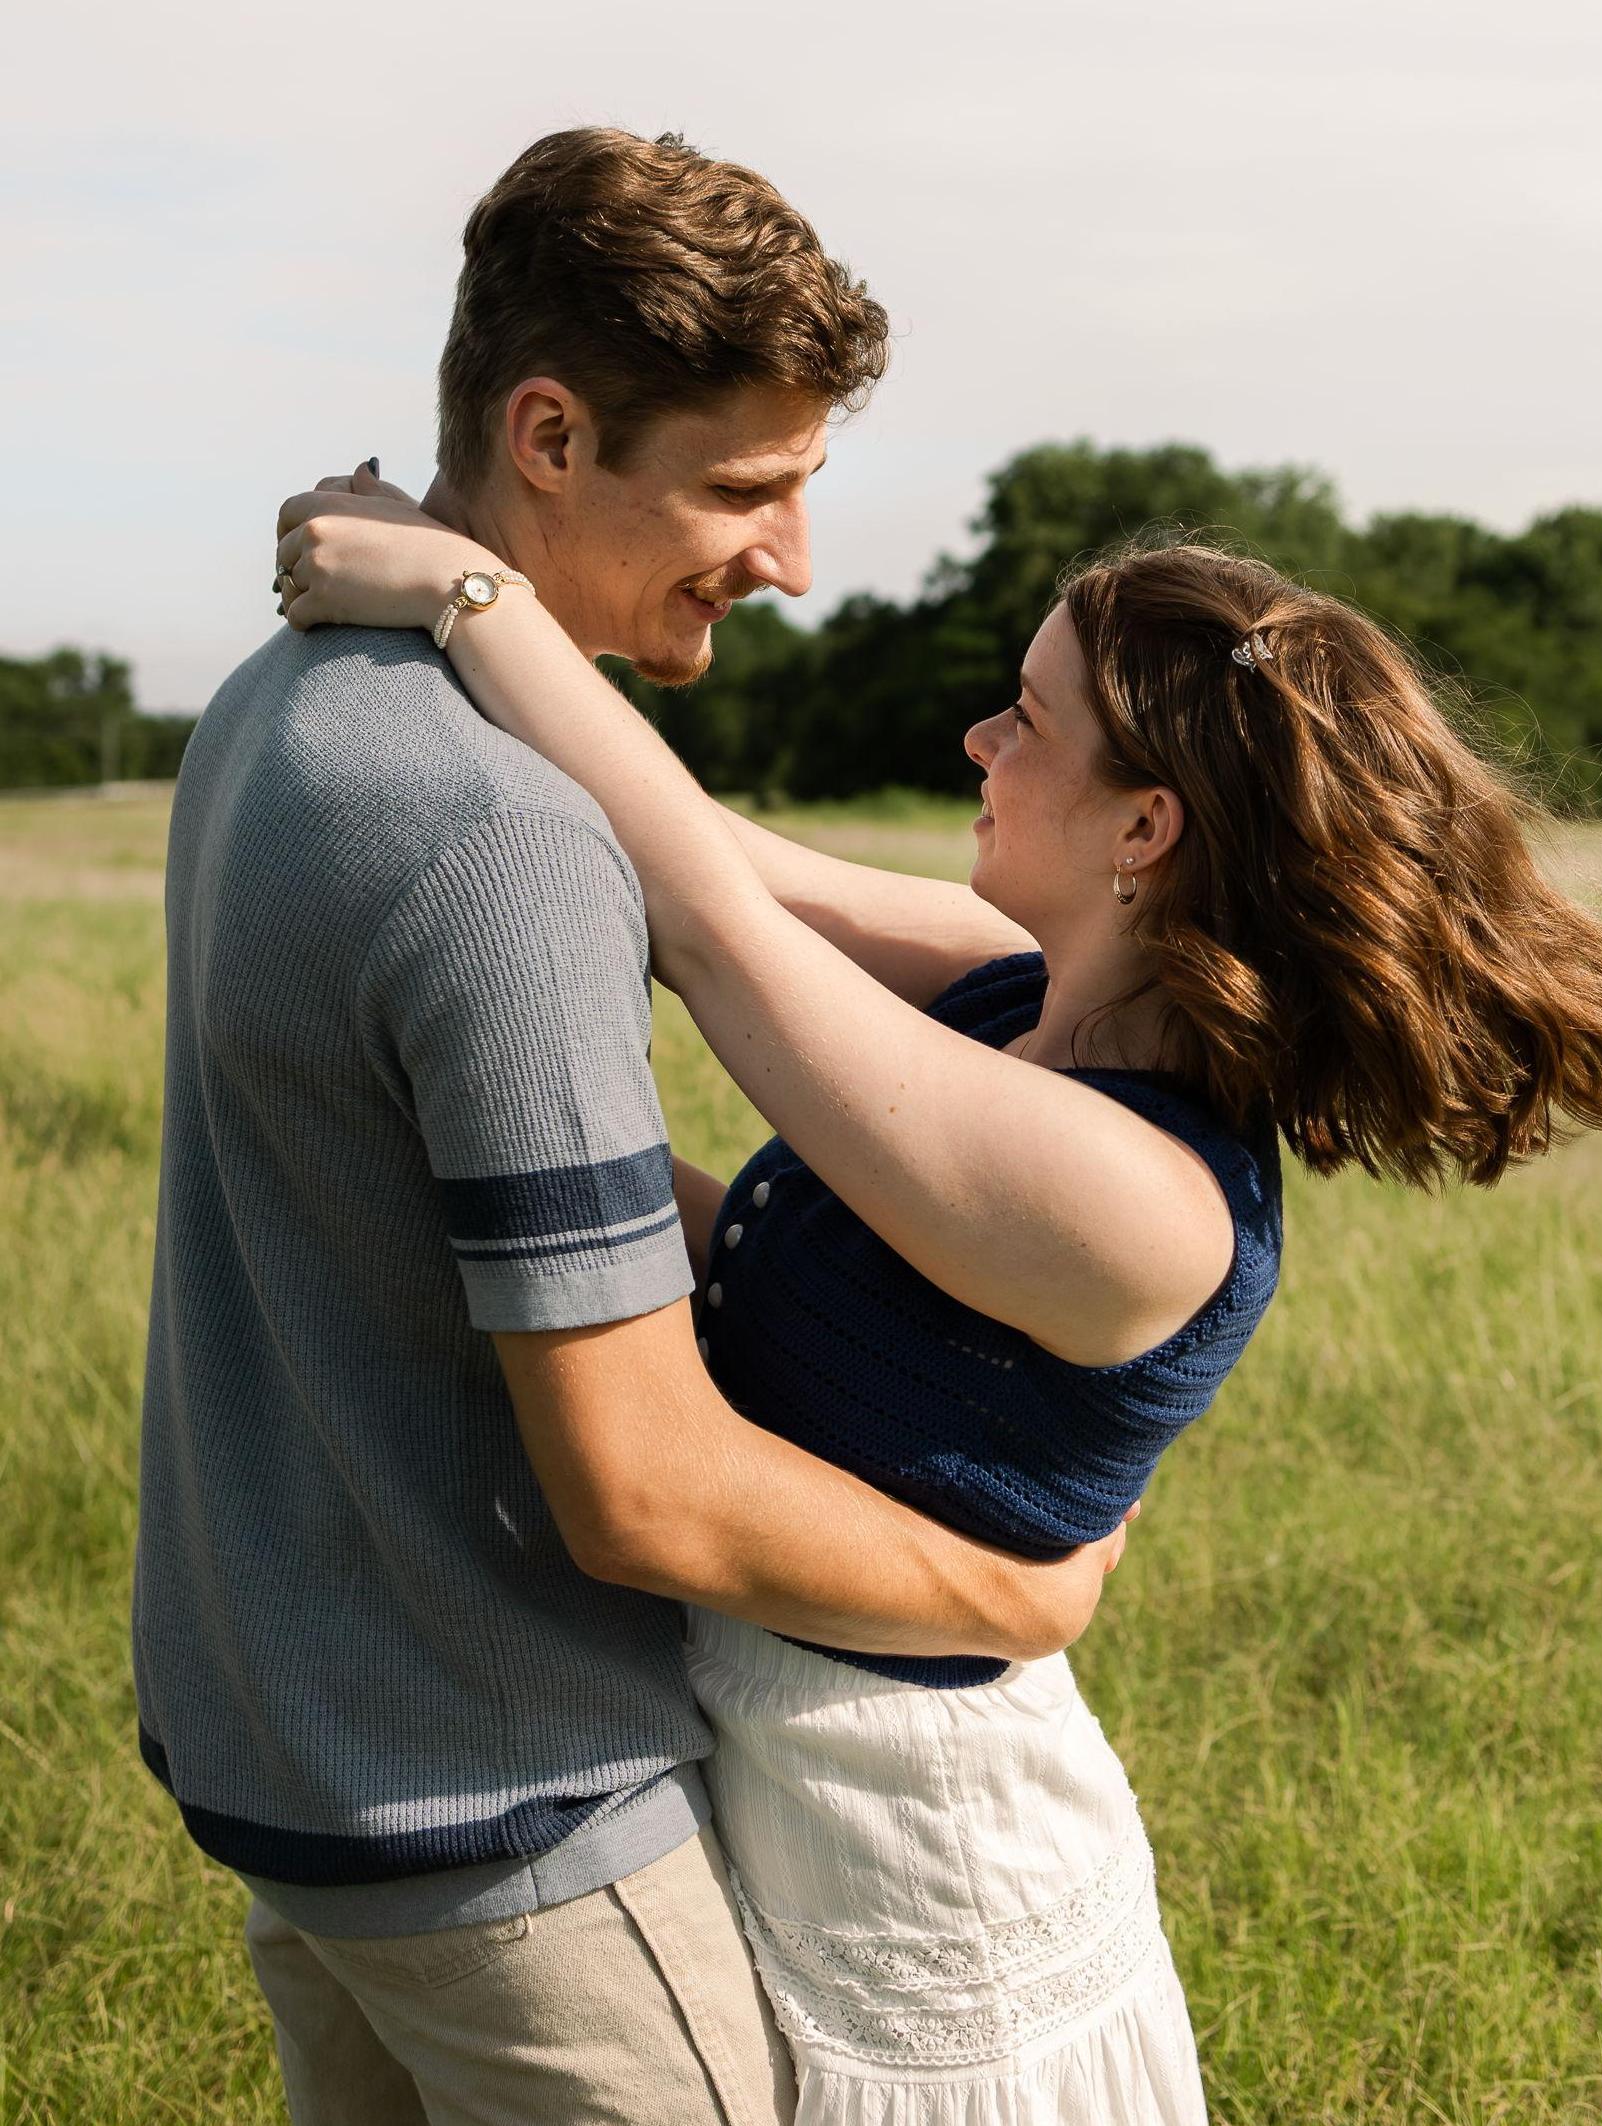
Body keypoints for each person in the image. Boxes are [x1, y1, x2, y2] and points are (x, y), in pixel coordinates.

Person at [272, 441, 1602, 2115]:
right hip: (771, 1751)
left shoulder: (1139, 1196)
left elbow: (707, 919)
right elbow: (711, 858)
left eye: (1026, 717)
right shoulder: (1014, 987)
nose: (978, 742)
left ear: (1143, 825)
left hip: (922, 1850)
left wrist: (466, 592)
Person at [135, 127, 1131, 2126]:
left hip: (287, 1761)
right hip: (507, 1812)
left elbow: (403, 1215)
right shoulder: (502, 836)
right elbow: (645, 1490)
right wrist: (1020, 1592)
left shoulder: (275, 703)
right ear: (552, 435)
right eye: (744, 488)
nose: (791, 559)